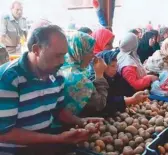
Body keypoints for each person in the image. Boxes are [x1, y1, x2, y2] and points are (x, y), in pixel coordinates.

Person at [0, 25, 100, 155]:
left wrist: (81, 121)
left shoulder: (56, 75)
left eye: (64, 55)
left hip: (45, 145)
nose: (62, 61)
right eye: (58, 56)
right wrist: (57, 139)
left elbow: (59, 110)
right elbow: (5, 133)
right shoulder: (9, 79)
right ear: (36, 49)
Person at [59, 31, 108, 117]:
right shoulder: (79, 78)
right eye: (90, 52)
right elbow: (99, 104)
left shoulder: (62, 66)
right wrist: (100, 75)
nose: (93, 56)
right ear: (79, 51)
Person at [88, 50, 148, 116]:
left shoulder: (115, 76)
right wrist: (130, 100)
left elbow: (126, 88)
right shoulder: (94, 80)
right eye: (112, 66)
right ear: (103, 66)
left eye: (116, 65)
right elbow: (105, 104)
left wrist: (135, 96)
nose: (115, 69)